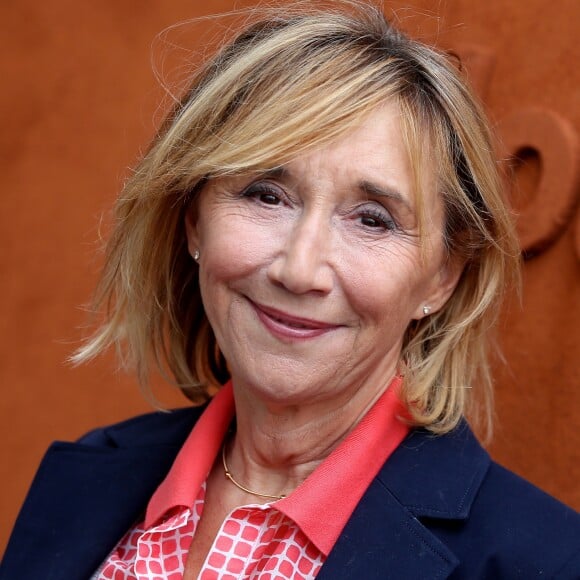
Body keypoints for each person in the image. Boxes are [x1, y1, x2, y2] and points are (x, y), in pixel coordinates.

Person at [2, 3, 579, 579]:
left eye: (373, 219)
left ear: (441, 278)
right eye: (265, 194)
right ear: (194, 220)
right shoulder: (82, 484)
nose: (300, 270)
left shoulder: (548, 563)